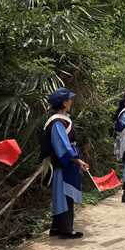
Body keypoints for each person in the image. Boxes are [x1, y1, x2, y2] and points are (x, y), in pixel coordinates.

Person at [40, 87, 89, 239]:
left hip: (67, 161)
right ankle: (66, 229)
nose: (71, 101)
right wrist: (76, 159)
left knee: (62, 193)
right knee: (64, 194)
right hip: (63, 163)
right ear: (65, 102)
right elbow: (61, 144)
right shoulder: (57, 122)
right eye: (69, 99)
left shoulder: (62, 119)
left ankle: (56, 227)